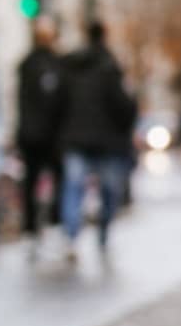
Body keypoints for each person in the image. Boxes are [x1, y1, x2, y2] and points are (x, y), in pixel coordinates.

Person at [56, 20, 138, 262]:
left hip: (75, 139)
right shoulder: (110, 67)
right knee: (108, 191)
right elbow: (124, 107)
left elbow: (58, 104)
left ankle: (71, 236)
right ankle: (103, 234)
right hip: (106, 141)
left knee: (73, 188)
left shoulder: (70, 66)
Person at [14, 16, 66, 256]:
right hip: (48, 137)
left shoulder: (27, 64)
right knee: (52, 182)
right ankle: (46, 228)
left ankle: (32, 231)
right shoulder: (54, 64)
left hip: (33, 135)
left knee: (32, 183)